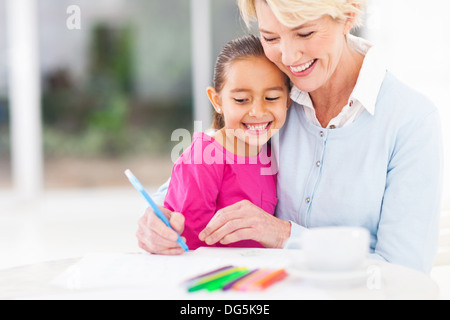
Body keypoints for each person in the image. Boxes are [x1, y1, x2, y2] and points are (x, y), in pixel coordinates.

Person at [137, 0, 443, 273]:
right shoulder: (269, 101)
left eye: (305, 34)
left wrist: (284, 235)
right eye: (270, 37)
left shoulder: (411, 121)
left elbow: (404, 274)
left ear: (348, 15)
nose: (288, 56)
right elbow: (186, 183)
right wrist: (155, 222)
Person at [161, 35, 292, 251]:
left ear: (288, 100)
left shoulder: (272, 151)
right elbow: (186, 245)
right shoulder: (203, 158)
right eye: (241, 100)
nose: (258, 112)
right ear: (217, 101)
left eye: (271, 98)